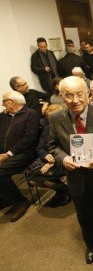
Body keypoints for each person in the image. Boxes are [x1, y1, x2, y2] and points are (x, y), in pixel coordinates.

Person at [48, 76, 93, 264]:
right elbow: (52, 146)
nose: (75, 100)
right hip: (76, 176)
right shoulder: (55, 118)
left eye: (79, 94)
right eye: (68, 95)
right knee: (85, 214)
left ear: (88, 93)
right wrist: (64, 159)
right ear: (61, 97)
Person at [0, 91, 40, 222]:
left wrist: (8, 154)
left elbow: (29, 138)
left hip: (25, 153)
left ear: (12, 102)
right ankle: (6, 198)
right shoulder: (3, 116)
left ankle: (21, 201)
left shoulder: (30, 114)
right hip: (4, 153)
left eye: (4, 101)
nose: (2, 104)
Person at [26, 104, 71, 207]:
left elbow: (70, 150)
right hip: (49, 158)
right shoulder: (47, 129)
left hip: (65, 158)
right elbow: (40, 148)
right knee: (32, 180)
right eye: (51, 119)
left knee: (46, 180)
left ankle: (65, 191)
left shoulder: (68, 127)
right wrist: (46, 156)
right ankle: (62, 189)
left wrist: (53, 161)